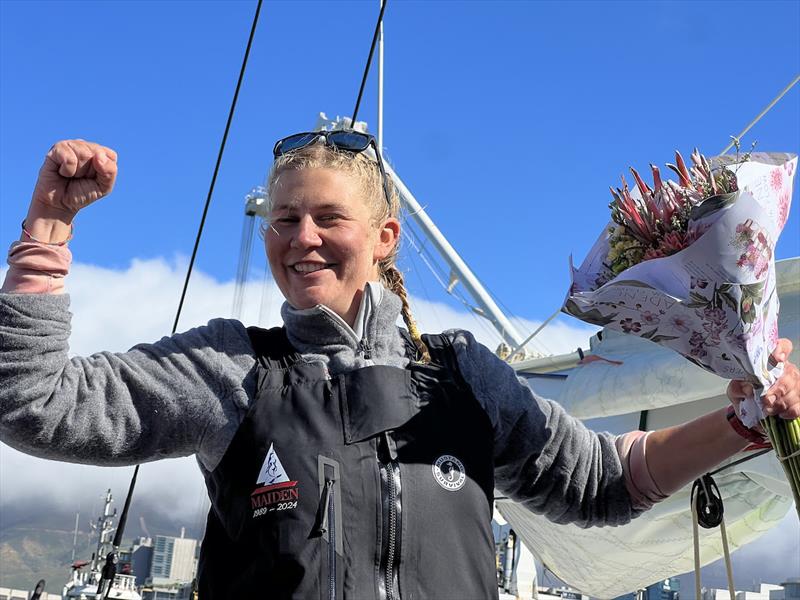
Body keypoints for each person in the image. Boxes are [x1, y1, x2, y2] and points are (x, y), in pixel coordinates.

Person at [1, 137, 798, 600]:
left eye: (328, 218)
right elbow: (34, 402)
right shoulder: (231, 368)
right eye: (284, 220)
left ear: (383, 239)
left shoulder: (462, 379)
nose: (301, 237)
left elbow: (603, 480)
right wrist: (47, 230)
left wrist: (741, 424)